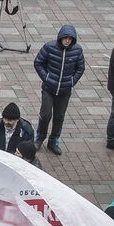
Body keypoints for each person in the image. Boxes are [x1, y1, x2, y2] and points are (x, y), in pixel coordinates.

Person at [32, 24, 84, 154]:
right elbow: (38, 62)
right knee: (45, 114)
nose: (67, 40)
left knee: (59, 117)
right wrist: (46, 78)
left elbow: (80, 68)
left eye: (70, 39)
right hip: (49, 88)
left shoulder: (77, 50)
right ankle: (40, 138)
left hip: (65, 91)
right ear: (60, 37)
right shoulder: (49, 47)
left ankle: (53, 141)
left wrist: (72, 81)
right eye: (65, 38)